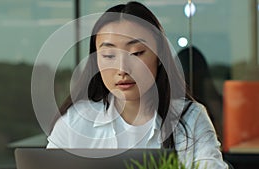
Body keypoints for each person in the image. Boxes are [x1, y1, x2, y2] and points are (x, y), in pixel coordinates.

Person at [47, 1, 229, 169]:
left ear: (159, 57)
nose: (122, 69)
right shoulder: (74, 122)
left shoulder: (190, 118)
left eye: (136, 53)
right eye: (109, 56)